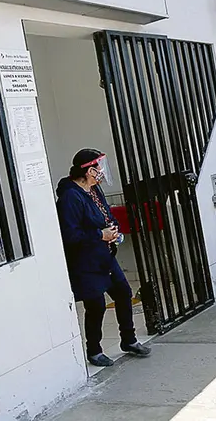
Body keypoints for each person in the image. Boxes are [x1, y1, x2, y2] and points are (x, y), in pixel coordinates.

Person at [56, 149, 151, 367]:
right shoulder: (70, 197)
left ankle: (129, 340)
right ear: (89, 170)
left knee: (123, 293)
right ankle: (94, 350)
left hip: (105, 256)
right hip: (86, 262)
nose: (101, 172)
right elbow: (70, 234)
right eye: (98, 168)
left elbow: (106, 215)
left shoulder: (94, 190)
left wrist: (113, 231)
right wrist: (100, 235)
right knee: (96, 305)